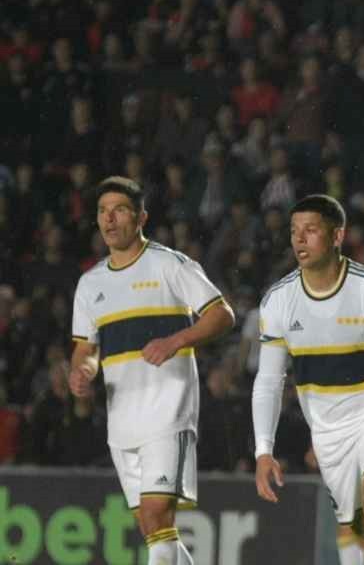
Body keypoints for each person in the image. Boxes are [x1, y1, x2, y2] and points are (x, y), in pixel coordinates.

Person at [251, 194, 364, 565]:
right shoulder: (278, 301)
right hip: (328, 430)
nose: (299, 239)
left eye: (310, 230)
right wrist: (263, 450)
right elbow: (269, 381)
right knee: (357, 531)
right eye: (294, 231)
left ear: (337, 236)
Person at [68, 176, 235, 565]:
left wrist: (176, 340)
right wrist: (84, 371)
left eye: (119, 210)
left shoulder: (169, 264)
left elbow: (222, 315)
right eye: (102, 211)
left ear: (141, 217)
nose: (109, 219)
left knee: (157, 514)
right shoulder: (90, 284)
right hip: (122, 419)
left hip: (168, 410)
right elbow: (85, 350)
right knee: (152, 527)